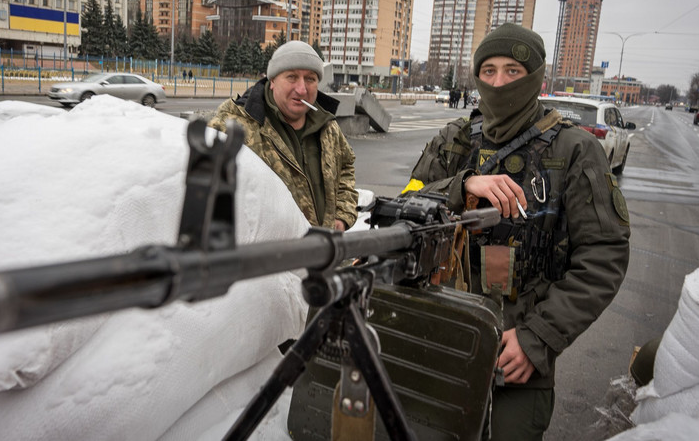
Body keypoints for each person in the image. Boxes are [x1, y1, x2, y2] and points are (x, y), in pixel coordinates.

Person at [406, 24, 630, 440]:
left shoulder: (575, 151)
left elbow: (604, 256)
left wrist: (538, 337)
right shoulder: (453, 141)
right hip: (439, 338)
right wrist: (461, 185)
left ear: (536, 78)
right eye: (488, 71)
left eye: (513, 71)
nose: (498, 82)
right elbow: (406, 207)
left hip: (515, 356)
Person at [208, 41, 358, 231]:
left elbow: (346, 165)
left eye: (310, 79)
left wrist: (342, 215)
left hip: (324, 252)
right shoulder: (234, 128)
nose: (302, 89)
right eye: (292, 77)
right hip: (269, 256)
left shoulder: (327, 127)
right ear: (272, 81)